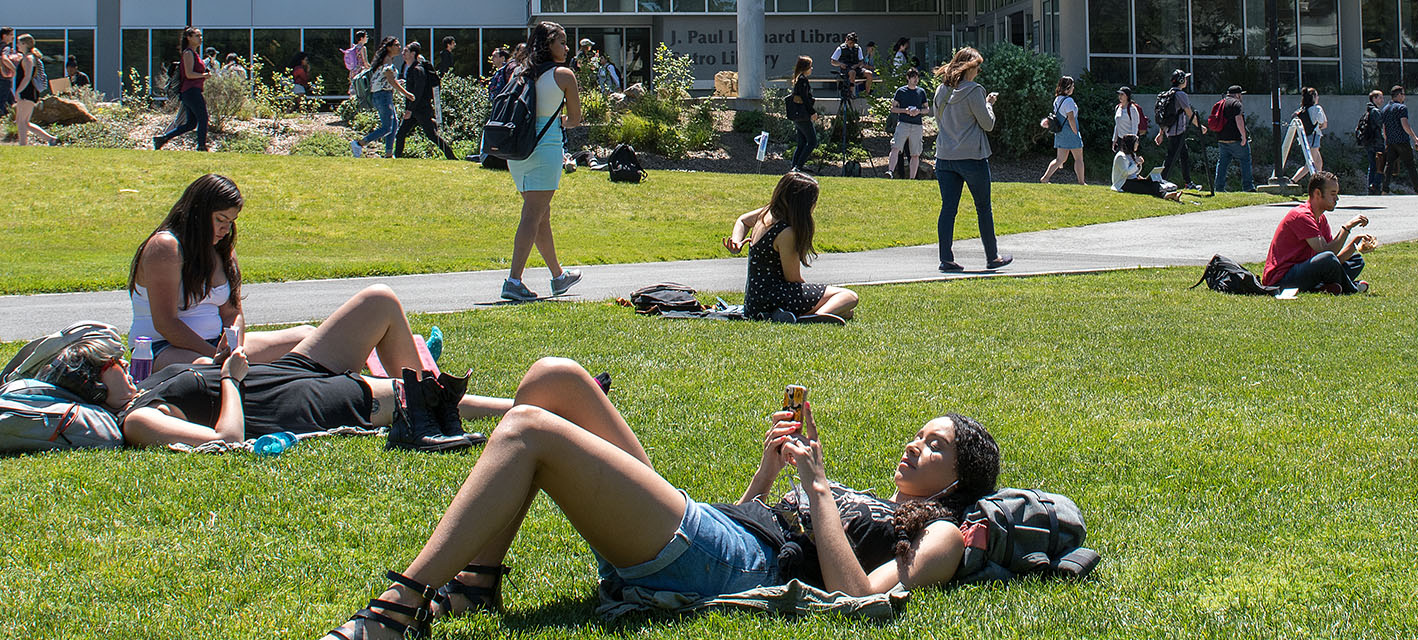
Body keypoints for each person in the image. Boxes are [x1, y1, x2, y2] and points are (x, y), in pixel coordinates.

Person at [315, 371, 1001, 639]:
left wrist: (818, 486)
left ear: (956, 480)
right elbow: (750, 523)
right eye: (918, 435)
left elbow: (862, 603)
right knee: (554, 380)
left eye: (933, 447)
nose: (913, 447)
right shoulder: (881, 501)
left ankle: (399, 608)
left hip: (730, 561)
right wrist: (769, 474)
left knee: (529, 431)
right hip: (721, 537)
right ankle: (478, 584)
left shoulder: (942, 533)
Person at [122, 284, 512, 450]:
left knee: (379, 301)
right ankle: (516, 407)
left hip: (288, 371)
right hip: (291, 402)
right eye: (110, 363)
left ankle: (425, 397)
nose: (121, 362)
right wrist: (229, 380)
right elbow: (226, 440)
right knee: (411, 395)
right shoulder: (139, 419)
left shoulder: (147, 380)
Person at [128, 174, 314, 370]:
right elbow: (166, 323)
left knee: (310, 337)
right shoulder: (165, 247)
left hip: (215, 347)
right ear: (197, 213)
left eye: (231, 221)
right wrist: (216, 356)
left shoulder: (222, 250)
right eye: (220, 219)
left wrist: (235, 347)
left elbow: (233, 313)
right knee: (208, 369)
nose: (226, 229)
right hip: (161, 348)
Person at [500, 21, 586, 303]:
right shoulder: (564, 75)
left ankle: (558, 276)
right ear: (549, 45)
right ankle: (514, 280)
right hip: (544, 148)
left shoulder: (521, 72)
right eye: (561, 42)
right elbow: (575, 119)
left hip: (518, 151)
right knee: (532, 215)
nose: (566, 47)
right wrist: (559, 120)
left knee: (541, 216)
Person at [724, 172, 859, 324]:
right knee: (849, 297)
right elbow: (793, 279)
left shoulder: (767, 213)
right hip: (774, 299)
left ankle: (816, 313)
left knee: (845, 310)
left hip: (754, 303)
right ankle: (811, 318)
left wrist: (736, 240)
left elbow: (743, 220)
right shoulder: (786, 233)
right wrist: (811, 295)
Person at [931, 47, 1012, 272]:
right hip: (972, 158)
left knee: (948, 208)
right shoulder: (975, 91)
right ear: (970, 67)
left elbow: (938, 120)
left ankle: (946, 259)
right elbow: (988, 124)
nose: (979, 70)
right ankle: (992, 257)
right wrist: (989, 104)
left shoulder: (941, 91)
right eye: (977, 66)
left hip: (945, 156)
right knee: (983, 207)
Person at [1260, 171, 1371, 294]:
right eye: (1333, 194)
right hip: (1281, 279)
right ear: (1318, 193)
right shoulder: (1301, 215)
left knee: (1356, 260)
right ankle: (1351, 288)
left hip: (1305, 271)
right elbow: (1326, 253)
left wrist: (1354, 244)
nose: (1337, 199)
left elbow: (1334, 257)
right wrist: (1346, 227)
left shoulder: (1320, 219)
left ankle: (1323, 287)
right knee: (1327, 259)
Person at [395, 42, 456, 160]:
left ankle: (451, 156)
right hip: (415, 109)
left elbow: (418, 91)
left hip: (421, 109)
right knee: (401, 133)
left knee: (432, 135)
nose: (403, 53)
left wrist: (410, 109)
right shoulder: (411, 68)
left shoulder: (418, 70)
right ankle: (396, 157)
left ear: (413, 53)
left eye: (405, 51)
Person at [153, 28, 211, 151]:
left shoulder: (194, 54)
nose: (200, 38)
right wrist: (204, 75)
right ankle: (201, 146)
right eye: (197, 36)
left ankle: (162, 139)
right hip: (191, 91)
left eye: (201, 36)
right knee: (203, 118)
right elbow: (189, 74)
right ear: (188, 37)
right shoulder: (188, 53)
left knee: (191, 123)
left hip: (192, 91)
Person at [351, 37, 405, 158]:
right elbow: (391, 80)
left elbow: (385, 79)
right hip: (382, 95)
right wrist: (406, 94)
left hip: (383, 94)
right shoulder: (387, 62)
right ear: (389, 47)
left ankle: (389, 153)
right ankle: (359, 144)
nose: (399, 47)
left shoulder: (387, 61)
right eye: (396, 45)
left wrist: (397, 82)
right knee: (387, 127)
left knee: (394, 124)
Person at [1381, 85, 1418, 194]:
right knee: (1410, 164)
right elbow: (1404, 124)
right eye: (1403, 94)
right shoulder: (1401, 108)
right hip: (1402, 140)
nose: (1404, 97)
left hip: (1391, 141)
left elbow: (1384, 127)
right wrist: (1415, 138)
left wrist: (1387, 140)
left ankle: (1385, 190)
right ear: (1399, 95)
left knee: (1389, 165)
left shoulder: (1385, 109)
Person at [1152, 70, 1199, 189]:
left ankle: (1187, 182)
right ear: (1181, 81)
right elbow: (1189, 112)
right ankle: (1161, 181)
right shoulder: (1181, 95)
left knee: (1183, 156)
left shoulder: (1169, 94)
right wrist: (1200, 126)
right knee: (1171, 157)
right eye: (1185, 79)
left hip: (1170, 131)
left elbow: (1165, 116)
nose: (1187, 81)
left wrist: (1161, 133)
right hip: (1177, 131)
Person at [9, 33, 56, 145]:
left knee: (22, 122)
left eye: (19, 43)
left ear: (25, 44)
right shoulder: (27, 57)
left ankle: (23, 144)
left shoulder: (29, 58)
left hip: (28, 93)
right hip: (28, 93)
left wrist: (18, 91)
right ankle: (51, 139)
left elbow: (27, 77)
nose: (17, 45)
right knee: (23, 122)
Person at [1040, 76, 1086, 185]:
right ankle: (1081, 182)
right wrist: (1076, 132)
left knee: (1060, 159)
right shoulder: (1069, 101)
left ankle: (1045, 178)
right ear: (1068, 88)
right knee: (1079, 159)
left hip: (1060, 132)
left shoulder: (1057, 99)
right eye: (1072, 86)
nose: (1073, 88)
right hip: (1070, 131)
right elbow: (1071, 118)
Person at [886, 68, 928, 179]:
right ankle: (890, 171)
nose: (915, 79)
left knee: (915, 153)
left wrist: (918, 111)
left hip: (917, 125)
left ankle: (912, 178)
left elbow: (926, 109)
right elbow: (893, 109)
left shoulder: (921, 92)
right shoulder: (901, 91)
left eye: (917, 77)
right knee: (895, 147)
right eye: (913, 77)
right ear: (908, 78)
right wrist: (905, 111)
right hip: (903, 123)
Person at [1111, 135, 1182, 200]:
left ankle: (1170, 195)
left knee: (1154, 182)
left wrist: (1139, 166)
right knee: (1148, 187)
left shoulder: (1131, 154)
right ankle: (1166, 195)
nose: (1137, 144)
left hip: (1132, 180)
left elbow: (1134, 172)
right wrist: (1136, 163)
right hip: (1123, 183)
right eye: (1136, 142)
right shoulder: (1121, 156)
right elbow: (1125, 173)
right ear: (1131, 143)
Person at [1213, 85, 1254, 193]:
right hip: (1235, 139)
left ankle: (1219, 188)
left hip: (1222, 138)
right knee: (1245, 160)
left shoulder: (1221, 103)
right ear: (1237, 94)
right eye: (1241, 95)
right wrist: (1243, 136)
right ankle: (1248, 187)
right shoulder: (1236, 104)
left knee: (1222, 163)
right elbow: (1239, 119)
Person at [1286, 88, 1327, 187]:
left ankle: (1319, 184)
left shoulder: (1301, 110)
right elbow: (1323, 124)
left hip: (1305, 138)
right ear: (1313, 97)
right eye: (1316, 96)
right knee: (1309, 164)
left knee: (1318, 163)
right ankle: (1292, 181)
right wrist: (1320, 126)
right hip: (1314, 138)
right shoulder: (1317, 109)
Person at [785, 56, 819, 172]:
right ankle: (798, 166)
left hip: (797, 115)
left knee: (802, 142)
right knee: (812, 141)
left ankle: (794, 166)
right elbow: (805, 98)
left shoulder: (798, 79)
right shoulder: (803, 80)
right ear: (805, 68)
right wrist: (812, 112)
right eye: (810, 67)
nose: (812, 69)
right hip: (803, 115)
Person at [1360, 89, 1389, 194]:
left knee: (1372, 165)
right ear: (1374, 98)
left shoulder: (1368, 110)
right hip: (1377, 142)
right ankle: (1375, 185)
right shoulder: (1376, 112)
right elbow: (1381, 127)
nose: (1382, 100)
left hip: (1369, 142)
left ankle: (1371, 187)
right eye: (1380, 97)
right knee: (1381, 165)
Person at [830, 32, 862, 105]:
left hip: (855, 66)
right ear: (846, 40)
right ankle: (851, 92)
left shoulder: (858, 48)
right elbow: (833, 61)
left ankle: (867, 93)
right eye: (850, 43)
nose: (851, 45)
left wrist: (857, 65)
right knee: (852, 73)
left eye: (853, 43)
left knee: (868, 74)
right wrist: (840, 64)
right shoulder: (840, 48)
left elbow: (861, 61)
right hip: (846, 68)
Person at [1112, 86, 1141, 154]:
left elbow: (1135, 126)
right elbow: (1117, 125)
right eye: (1119, 94)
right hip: (1120, 139)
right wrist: (1114, 140)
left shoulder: (1132, 109)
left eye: (1122, 94)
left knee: (1130, 161)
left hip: (1129, 140)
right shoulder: (1118, 107)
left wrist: (1134, 141)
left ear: (1127, 96)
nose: (1120, 96)